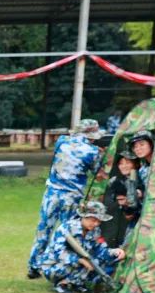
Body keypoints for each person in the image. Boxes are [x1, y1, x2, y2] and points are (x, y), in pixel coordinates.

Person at [27, 119, 107, 278]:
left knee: (44, 229)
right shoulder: (92, 152)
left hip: (52, 193)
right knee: (68, 232)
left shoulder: (61, 141)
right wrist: (102, 156)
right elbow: (98, 175)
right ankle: (62, 265)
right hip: (72, 196)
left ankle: (34, 266)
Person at [39, 201, 126, 293]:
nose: (96, 224)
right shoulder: (66, 228)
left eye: (99, 221)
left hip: (76, 263)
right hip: (53, 266)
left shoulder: (95, 231)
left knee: (98, 261)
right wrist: (80, 260)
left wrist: (114, 252)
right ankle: (62, 285)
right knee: (82, 263)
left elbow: (100, 249)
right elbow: (58, 252)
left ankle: (76, 283)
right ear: (84, 216)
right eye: (93, 220)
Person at [101, 152, 144, 248]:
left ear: (136, 164)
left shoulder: (143, 178)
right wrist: (122, 204)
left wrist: (138, 195)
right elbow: (110, 204)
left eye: (127, 163)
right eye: (121, 163)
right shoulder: (117, 181)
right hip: (122, 224)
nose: (124, 166)